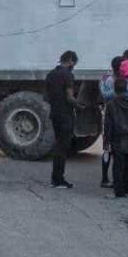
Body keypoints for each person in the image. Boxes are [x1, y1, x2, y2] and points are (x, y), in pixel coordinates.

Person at [46, 50, 81, 189]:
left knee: (59, 145)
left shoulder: (50, 74)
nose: (74, 66)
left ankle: (56, 178)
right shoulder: (68, 75)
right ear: (70, 60)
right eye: (74, 63)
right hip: (66, 115)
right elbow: (70, 97)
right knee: (63, 148)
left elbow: (46, 96)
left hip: (54, 114)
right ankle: (58, 179)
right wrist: (79, 107)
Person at [104, 78, 128, 198]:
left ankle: (119, 190)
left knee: (118, 165)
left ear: (114, 89)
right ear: (126, 89)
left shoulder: (111, 105)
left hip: (117, 138)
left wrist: (106, 141)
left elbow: (108, 125)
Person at [99, 56, 124, 188]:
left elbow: (105, 95)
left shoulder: (108, 80)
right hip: (121, 118)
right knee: (118, 148)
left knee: (107, 148)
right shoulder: (123, 82)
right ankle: (118, 179)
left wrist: (100, 83)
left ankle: (104, 178)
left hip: (108, 116)